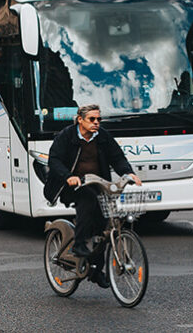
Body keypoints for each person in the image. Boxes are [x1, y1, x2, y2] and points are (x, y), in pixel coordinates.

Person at [46, 104, 142, 288]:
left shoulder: (102, 136)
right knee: (88, 200)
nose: (96, 123)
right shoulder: (67, 135)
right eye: (92, 119)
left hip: (98, 183)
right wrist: (69, 177)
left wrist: (128, 173)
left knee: (104, 226)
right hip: (71, 185)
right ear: (80, 119)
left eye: (99, 119)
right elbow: (54, 160)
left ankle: (96, 270)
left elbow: (117, 157)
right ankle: (79, 245)